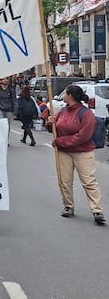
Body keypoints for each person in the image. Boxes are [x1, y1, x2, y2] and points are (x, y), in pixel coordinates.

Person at [47, 85, 105, 225]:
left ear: (70, 96)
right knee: (65, 181)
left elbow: (83, 136)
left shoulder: (86, 114)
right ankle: (68, 206)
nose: (63, 96)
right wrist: (50, 123)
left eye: (65, 93)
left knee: (89, 181)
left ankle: (97, 210)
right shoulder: (63, 111)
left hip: (83, 152)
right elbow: (54, 129)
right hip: (64, 152)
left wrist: (61, 141)